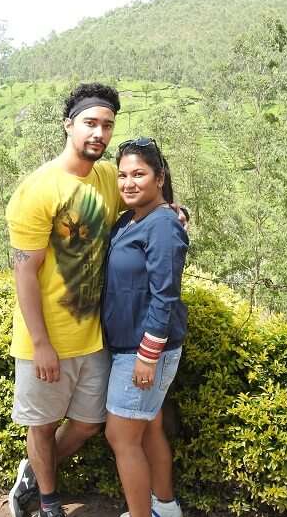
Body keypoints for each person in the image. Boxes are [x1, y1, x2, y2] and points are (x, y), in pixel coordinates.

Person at [5, 83, 123, 517]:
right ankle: (47, 502)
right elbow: (24, 272)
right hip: (47, 338)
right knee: (43, 424)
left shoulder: (108, 177)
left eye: (107, 125)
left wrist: (174, 212)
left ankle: (33, 474)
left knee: (90, 424)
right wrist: (41, 344)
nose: (99, 133)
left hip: (92, 337)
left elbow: (145, 191)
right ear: (68, 125)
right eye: (90, 123)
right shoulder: (38, 189)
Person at [103, 137, 188, 517]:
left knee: (120, 436)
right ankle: (165, 506)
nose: (129, 182)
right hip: (129, 345)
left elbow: (165, 295)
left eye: (139, 174)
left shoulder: (163, 225)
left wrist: (147, 357)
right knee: (149, 427)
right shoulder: (130, 219)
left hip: (143, 349)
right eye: (122, 175)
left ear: (160, 177)